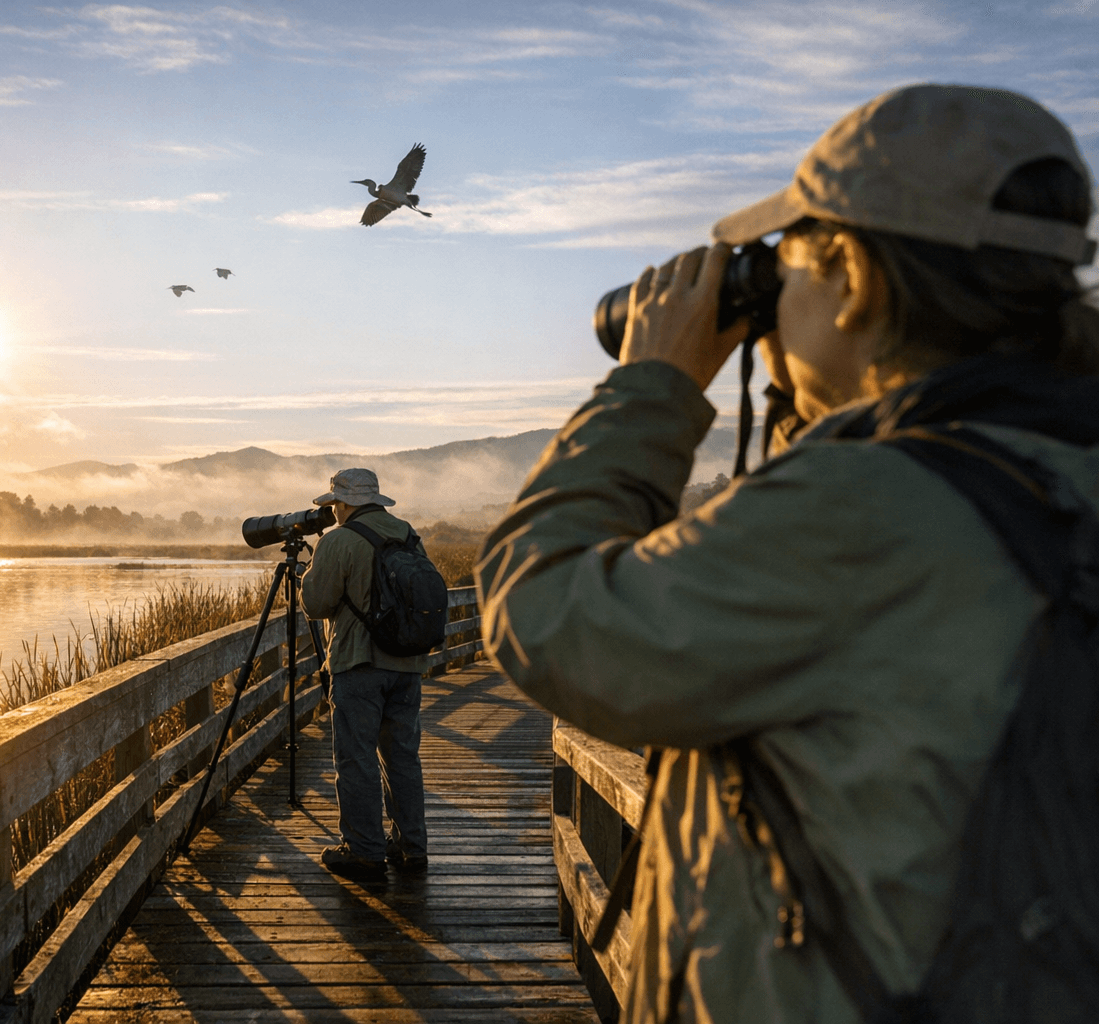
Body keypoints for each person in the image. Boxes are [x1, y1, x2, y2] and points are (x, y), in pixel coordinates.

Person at [476, 84, 1099, 1023]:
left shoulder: (871, 506)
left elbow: (545, 612)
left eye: (784, 268)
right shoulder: (1056, 466)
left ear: (850, 274)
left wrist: (652, 384)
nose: (767, 308)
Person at [300, 467, 430, 881]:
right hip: (407, 663)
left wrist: (308, 570)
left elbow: (316, 603)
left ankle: (364, 850)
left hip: (358, 663)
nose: (333, 510)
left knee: (356, 758)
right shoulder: (406, 533)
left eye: (334, 503)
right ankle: (411, 847)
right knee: (403, 758)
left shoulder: (338, 540)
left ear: (342, 503)